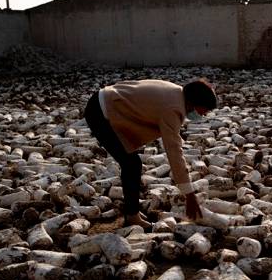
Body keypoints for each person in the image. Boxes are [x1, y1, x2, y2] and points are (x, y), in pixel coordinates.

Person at [84, 78, 217, 229]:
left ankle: (132, 212)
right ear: (195, 102)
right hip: (101, 112)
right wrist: (190, 195)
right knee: (131, 164)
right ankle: (132, 216)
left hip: (106, 102)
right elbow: (174, 151)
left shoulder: (175, 91)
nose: (205, 114)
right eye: (205, 110)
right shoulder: (173, 109)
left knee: (131, 162)